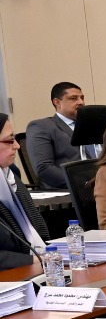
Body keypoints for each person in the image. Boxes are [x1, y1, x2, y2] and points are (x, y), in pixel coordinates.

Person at [0, 113, 50, 269]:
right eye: (9, 140)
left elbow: (38, 231)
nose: (17, 146)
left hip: (35, 269)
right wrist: (33, 260)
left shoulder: (10, 176)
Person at [25, 81, 93, 190]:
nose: (81, 102)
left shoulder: (91, 126)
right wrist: (83, 184)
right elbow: (44, 168)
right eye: (73, 98)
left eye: (82, 98)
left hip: (103, 187)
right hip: (70, 190)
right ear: (57, 102)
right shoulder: (41, 126)